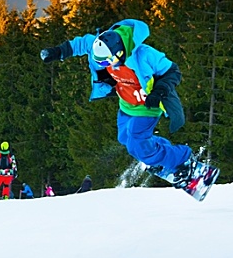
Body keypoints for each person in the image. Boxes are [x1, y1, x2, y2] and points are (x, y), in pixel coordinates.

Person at [41, 18, 196, 189]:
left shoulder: (145, 55)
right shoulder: (100, 46)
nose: (105, 66)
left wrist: (159, 92)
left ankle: (183, 158)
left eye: (107, 62)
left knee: (136, 145)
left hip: (146, 107)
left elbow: (173, 72)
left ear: (120, 54)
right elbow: (80, 44)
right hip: (126, 105)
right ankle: (157, 153)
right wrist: (56, 52)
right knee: (125, 138)